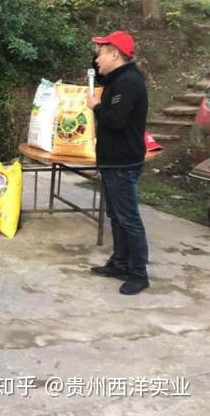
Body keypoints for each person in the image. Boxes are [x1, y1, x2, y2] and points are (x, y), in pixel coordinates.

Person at [87, 31, 150, 295]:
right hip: (113, 162)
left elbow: (115, 121)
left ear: (115, 54)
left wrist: (96, 106)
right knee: (116, 216)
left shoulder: (129, 83)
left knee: (129, 219)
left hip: (123, 163)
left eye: (101, 52)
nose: (96, 58)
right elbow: (98, 71)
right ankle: (120, 262)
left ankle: (139, 273)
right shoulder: (117, 78)